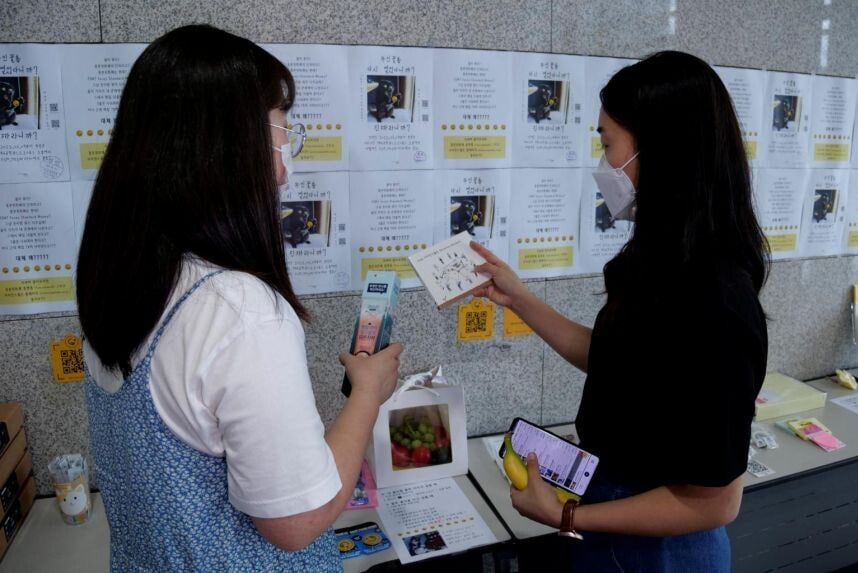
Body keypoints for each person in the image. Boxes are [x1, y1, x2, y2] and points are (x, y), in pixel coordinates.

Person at [77, 25, 402, 572]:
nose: (284, 169)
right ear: (229, 148)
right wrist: (367, 394)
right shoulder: (239, 312)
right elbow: (297, 522)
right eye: (282, 133)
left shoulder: (114, 278)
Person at [472, 51, 768, 571]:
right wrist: (517, 298)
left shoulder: (717, 300)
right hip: (614, 519)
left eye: (607, 144)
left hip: (661, 551)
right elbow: (617, 360)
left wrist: (565, 515)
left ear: (662, 151)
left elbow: (716, 502)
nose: (603, 164)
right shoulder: (661, 265)